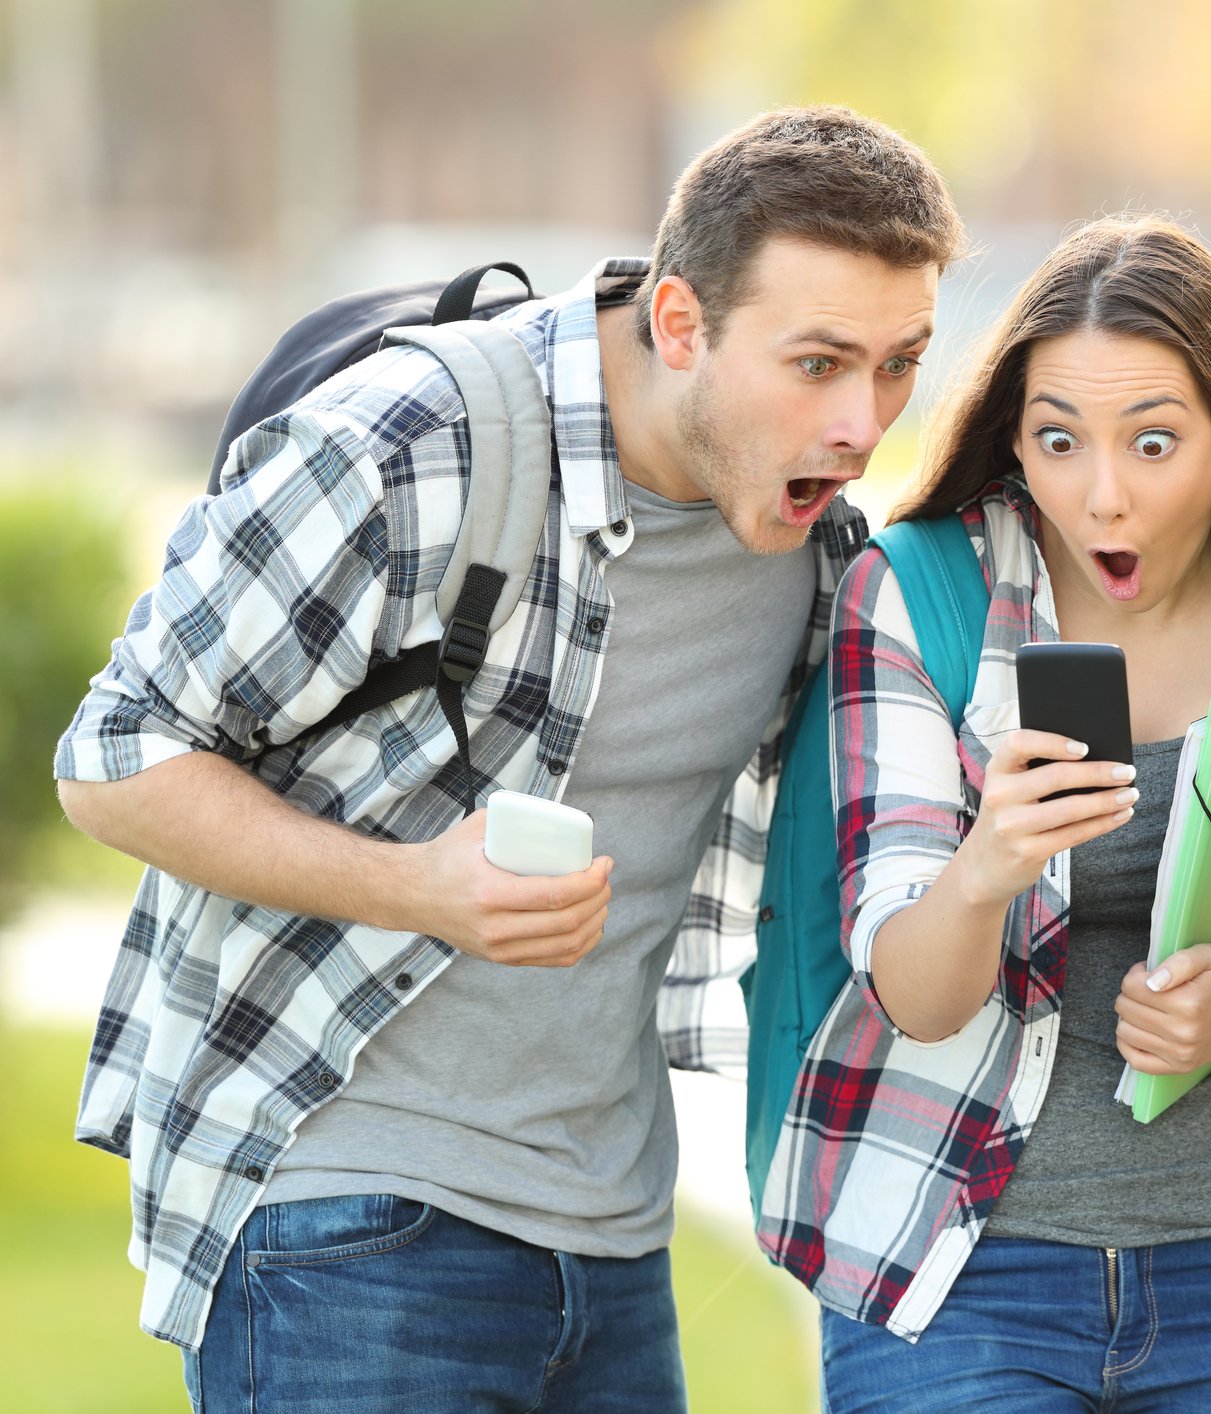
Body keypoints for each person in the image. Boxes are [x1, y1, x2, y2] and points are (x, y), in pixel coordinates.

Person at [51, 105, 962, 1411]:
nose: (862, 418)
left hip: (610, 1233)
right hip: (345, 1214)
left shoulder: (817, 554)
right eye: (817, 363)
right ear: (680, 323)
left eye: (899, 364)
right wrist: (419, 887)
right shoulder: (417, 438)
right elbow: (115, 754)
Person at [757, 215, 1211, 1412]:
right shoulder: (921, 592)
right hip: (956, 1266)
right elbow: (914, 994)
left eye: (1156, 442)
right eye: (1058, 442)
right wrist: (985, 866)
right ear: (1013, 438)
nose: (1104, 495)